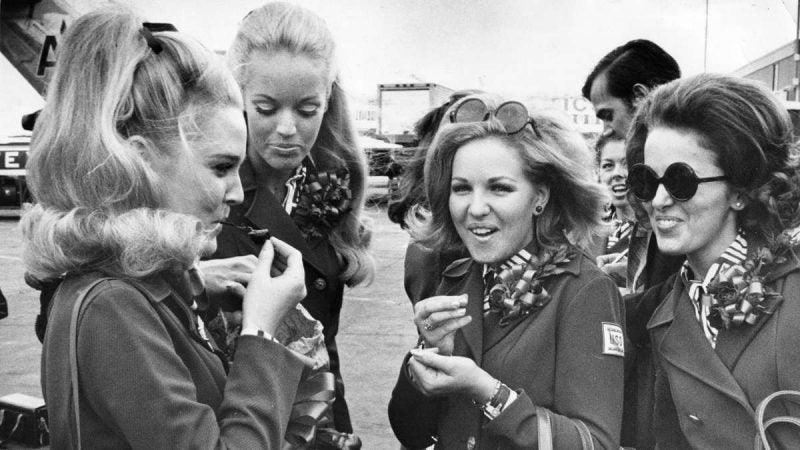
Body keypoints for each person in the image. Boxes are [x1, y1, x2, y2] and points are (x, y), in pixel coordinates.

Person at [24, 8, 309, 447]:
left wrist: (192, 284)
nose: (236, 193)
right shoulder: (113, 307)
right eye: (220, 167)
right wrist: (262, 332)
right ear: (142, 161)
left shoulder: (121, 288)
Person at [388, 97, 624, 449]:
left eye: (499, 188)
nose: (475, 208)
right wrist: (426, 353)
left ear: (540, 197)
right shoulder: (456, 278)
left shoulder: (584, 291)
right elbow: (413, 432)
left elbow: (595, 444)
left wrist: (489, 392)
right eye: (461, 188)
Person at [203, 3, 373, 445]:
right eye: (265, 108)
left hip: (320, 418)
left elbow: (322, 343)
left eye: (306, 109)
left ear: (328, 101)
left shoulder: (334, 184)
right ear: (237, 98)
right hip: (240, 422)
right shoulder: (208, 192)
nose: (286, 128)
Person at [626, 74, 800, 448]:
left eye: (680, 181)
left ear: (740, 190)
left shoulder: (796, 286)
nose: (658, 201)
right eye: (646, 181)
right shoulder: (669, 316)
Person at [594, 134, 634, 288]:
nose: (617, 173)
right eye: (608, 165)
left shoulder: (657, 233)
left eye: (627, 164)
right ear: (598, 173)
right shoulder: (585, 231)